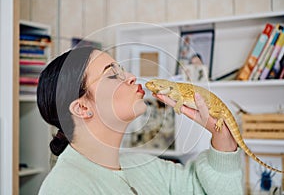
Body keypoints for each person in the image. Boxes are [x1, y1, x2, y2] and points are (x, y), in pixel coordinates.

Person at [37, 46, 243, 195]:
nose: (131, 76)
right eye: (111, 74)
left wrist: (222, 135)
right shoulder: (64, 188)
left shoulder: (145, 166)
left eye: (121, 69)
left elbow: (204, 189)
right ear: (82, 107)